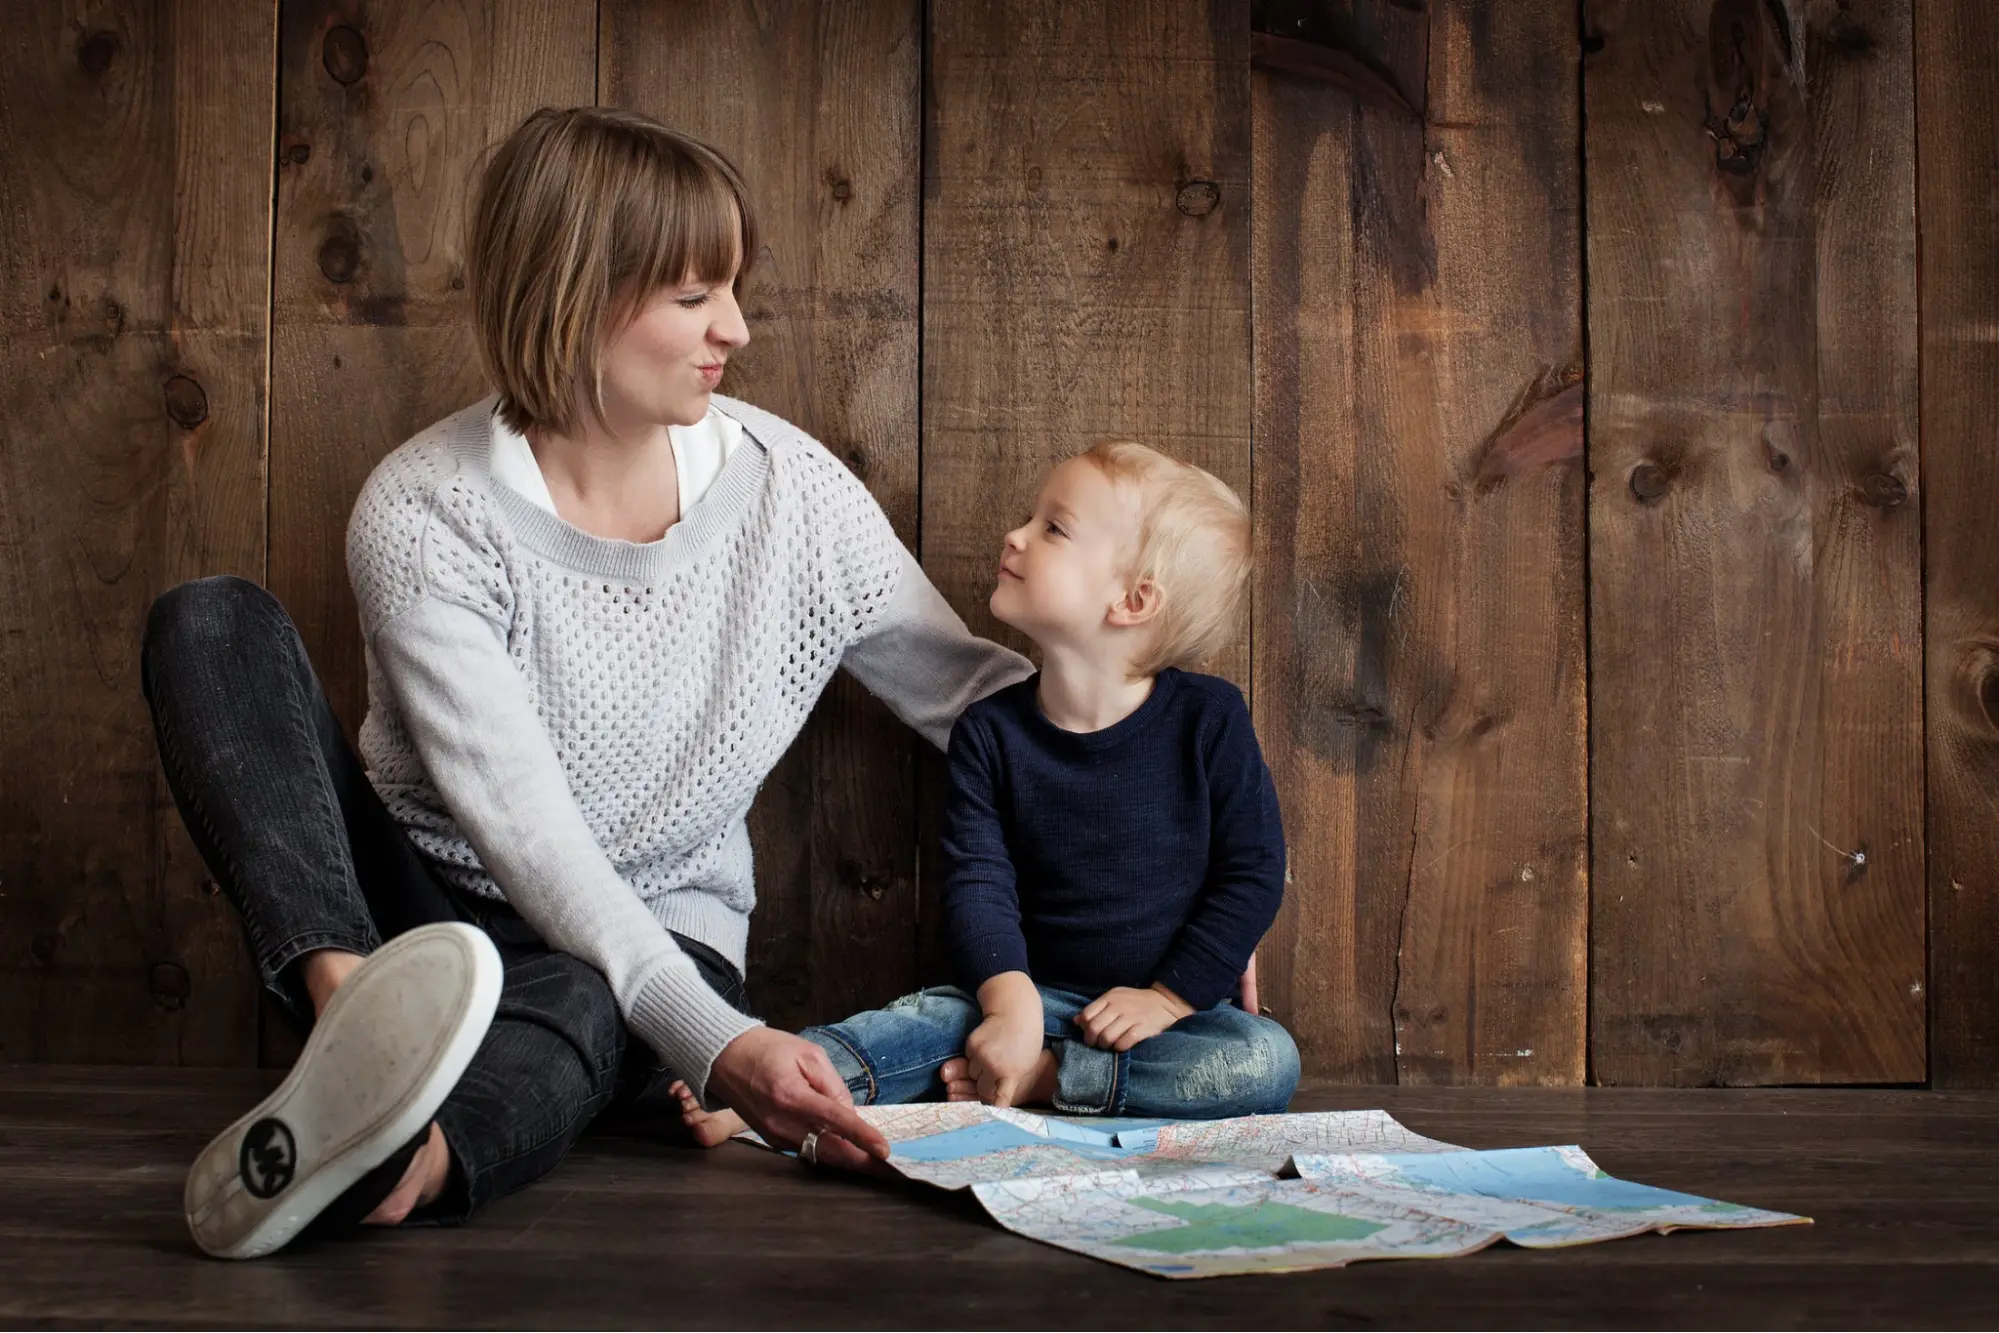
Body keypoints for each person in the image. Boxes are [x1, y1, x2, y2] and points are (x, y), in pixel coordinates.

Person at [141, 105, 1033, 1260]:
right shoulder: (425, 512)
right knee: (210, 619)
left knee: (579, 995)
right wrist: (720, 1048)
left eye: (731, 289)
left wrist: (1175, 828)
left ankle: (403, 1157)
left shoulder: (792, 496)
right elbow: (529, 834)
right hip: (417, 915)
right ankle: (356, 1024)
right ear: (579, 292)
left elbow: (976, 700)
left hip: (652, 939)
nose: (738, 329)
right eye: (694, 296)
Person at [679, 439, 1297, 1145]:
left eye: (1052, 528)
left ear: (1132, 600)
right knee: (918, 1023)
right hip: (1025, 991)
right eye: (1031, 519)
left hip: (1164, 1018)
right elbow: (979, 881)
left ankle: (1048, 1081)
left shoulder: (1208, 719)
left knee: (1264, 1061)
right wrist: (1009, 1007)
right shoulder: (991, 732)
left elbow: (1250, 872)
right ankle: (768, 1091)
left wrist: (1169, 997)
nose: (1016, 535)